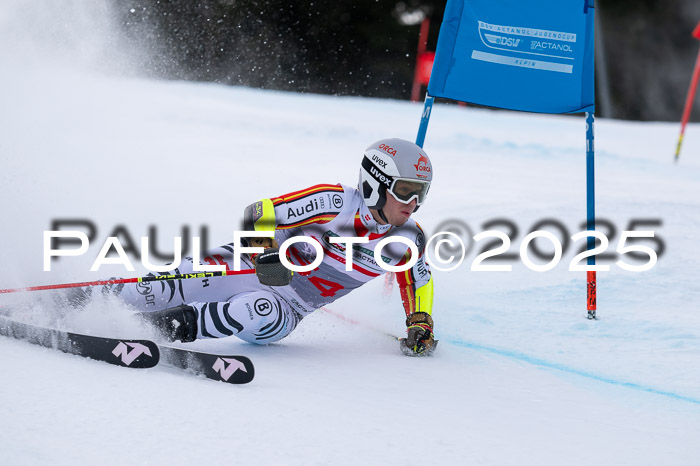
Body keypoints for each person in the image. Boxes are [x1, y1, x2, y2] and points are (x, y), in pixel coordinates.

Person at [118, 138, 436, 355]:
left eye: (420, 193)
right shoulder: (335, 201)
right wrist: (267, 255)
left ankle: (151, 330)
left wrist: (420, 322)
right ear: (376, 183)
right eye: (405, 190)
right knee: (162, 285)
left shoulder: (409, 240)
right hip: (247, 268)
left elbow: (418, 281)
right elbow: (259, 212)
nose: (413, 203)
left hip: (287, 310)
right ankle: (94, 300)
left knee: (254, 309)